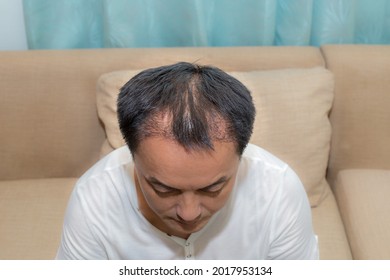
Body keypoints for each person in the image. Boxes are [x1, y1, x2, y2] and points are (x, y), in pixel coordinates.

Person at [56, 62, 318, 259]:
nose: (189, 213)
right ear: (132, 156)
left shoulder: (278, 192)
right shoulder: (93, 201)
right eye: (164, 189)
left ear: (241, 157)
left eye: (213, 188)